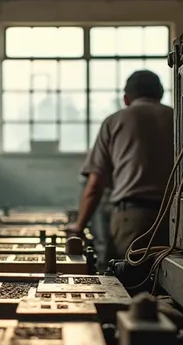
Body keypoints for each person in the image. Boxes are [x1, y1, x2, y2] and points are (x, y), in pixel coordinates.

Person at [66, 70, 174, 293]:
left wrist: (79, 225)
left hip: (131, 220)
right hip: (177, 219)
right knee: (170, 286)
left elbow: (95, 184)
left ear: (126, 98)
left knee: (129, 289)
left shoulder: (114, 121)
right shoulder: (177, 117)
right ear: (161, 94)